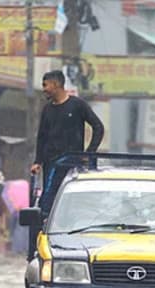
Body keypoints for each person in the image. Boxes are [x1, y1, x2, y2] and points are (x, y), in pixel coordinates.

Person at [30, 70, 104, 213]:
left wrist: (89, 153)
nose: (44, 89)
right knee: (48, 202)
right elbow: (42, 137)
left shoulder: (78, 105)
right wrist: (37, 161)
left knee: (72, 202)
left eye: (46, 85)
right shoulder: (47, 109)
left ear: (56, 84)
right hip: (51, 164)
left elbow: (98, 127)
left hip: (72, 164)